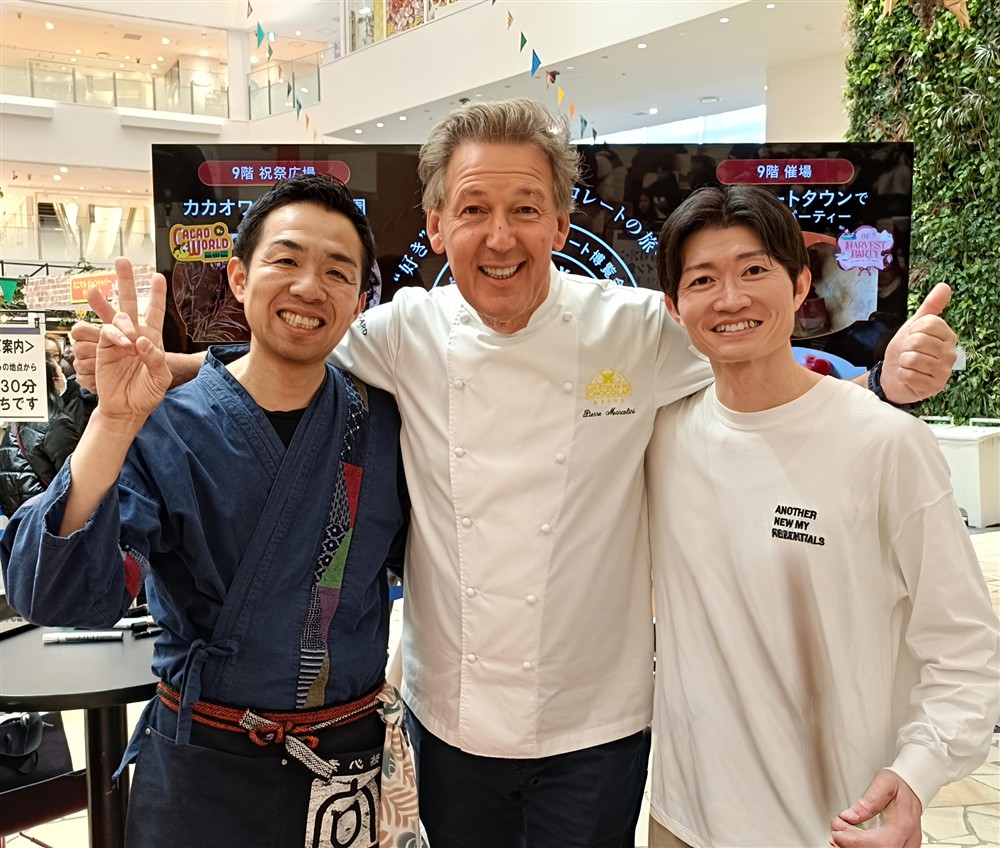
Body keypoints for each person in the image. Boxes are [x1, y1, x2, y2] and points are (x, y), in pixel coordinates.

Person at [70, 99, 959, 848]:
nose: (501, 236)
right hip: (450, 720)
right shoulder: (403, 332)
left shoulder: (636, 329)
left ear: (562, 224)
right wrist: (160, 372)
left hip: (599, 723)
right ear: (436, 226)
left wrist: (883, 380)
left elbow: (763, 365)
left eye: (527, 208)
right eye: (473, 209)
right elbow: (285, 354)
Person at [1, 175, 417, 848]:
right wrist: (112, 423)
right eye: (286, 259)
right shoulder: (168, 423)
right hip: (204, 766)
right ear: (239, 278)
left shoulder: (384, 424)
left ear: (361, 301)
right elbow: (55, 595)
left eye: (338, 272)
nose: (309, 287)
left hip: (345, 765)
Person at [645, 185, 999, 848]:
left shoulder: (886, 445)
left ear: (801, 282)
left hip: (837, 825)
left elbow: (964, 647)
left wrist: (917, 773)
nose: (730, 298)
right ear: (673, 307)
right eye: (702, 280)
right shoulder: (662, 435)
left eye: (754, 270)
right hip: (682, 819)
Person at [0, 360, 80, 517]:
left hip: (19, 514)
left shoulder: (17, 422)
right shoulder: (56, 423)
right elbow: (76, 477)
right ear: (51, 381)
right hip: (46, 514)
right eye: (59, 374)